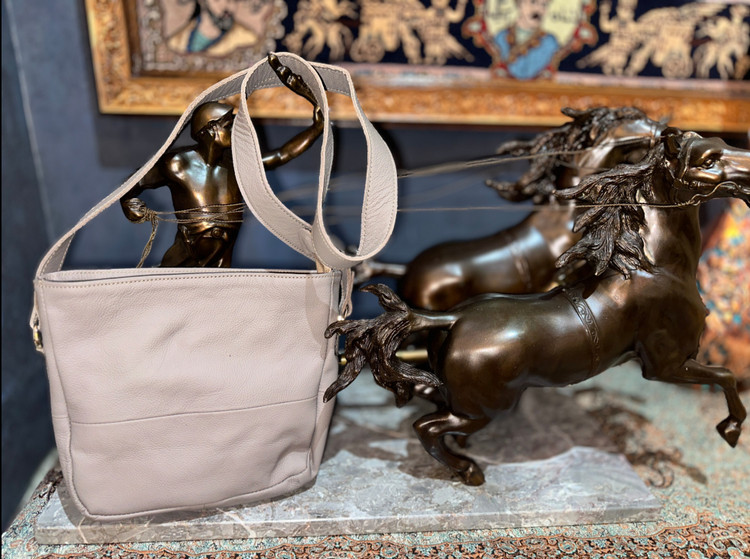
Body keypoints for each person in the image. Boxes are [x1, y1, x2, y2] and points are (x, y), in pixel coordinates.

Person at [121, 55, 325, 267]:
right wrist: (128, 203)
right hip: (187, 254)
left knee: (222, 286)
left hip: (223, 256)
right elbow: (133, 183)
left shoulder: (236, 163)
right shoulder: (178, 164)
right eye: (228, 125)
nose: (234, 129)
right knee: (169, 283)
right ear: (210, 130)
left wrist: (316, 128)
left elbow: (282, 155)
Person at [167, 0, 260, 55]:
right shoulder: (177, 40)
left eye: (232, 1)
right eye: (217, 0)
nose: (225, 6)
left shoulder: (247, 39)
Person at [494, 0, 558, 79]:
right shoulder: (501, 38)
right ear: (519, 4)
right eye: (533, 2)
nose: (538, 9)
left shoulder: (550, 43)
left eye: (544, 5)